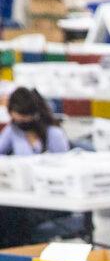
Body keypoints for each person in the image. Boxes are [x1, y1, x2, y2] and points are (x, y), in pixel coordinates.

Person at [0, 88, 71, 249]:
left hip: (51, 200)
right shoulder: (13, 132)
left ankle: (19, 256)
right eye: (19, 116)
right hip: (22, 197)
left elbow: (67, 166)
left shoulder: (54, 134)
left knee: (14, 217)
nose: (23, 121)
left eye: (26, 116)